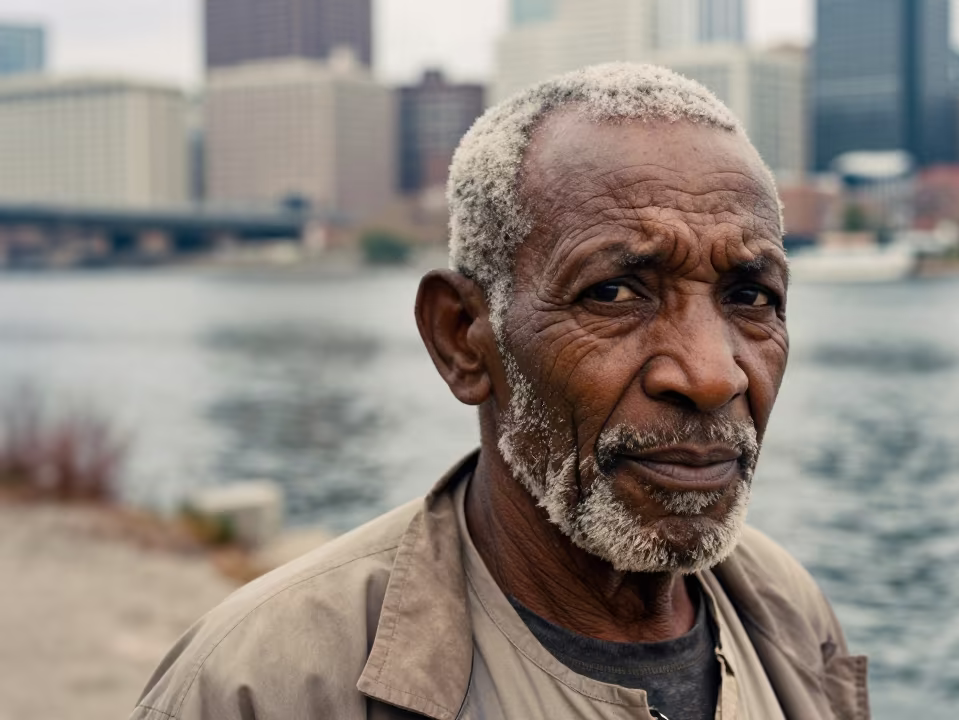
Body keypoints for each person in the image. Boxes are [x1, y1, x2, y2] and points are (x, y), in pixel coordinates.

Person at [132, 63, 869, 720]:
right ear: (462, 338)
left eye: (751, 295)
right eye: (614, 292)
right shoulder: (261, 685)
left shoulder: (787, 609)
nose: (714, 376)